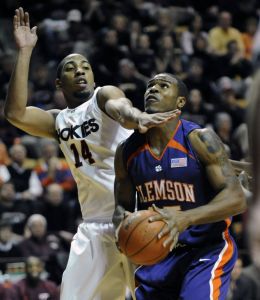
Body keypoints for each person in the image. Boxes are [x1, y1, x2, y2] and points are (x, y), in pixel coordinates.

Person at [4, 8, 179, 300]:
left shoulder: (102, 96)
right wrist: (24, 52)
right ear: (59, 84)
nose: (80, 71)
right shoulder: (57, 121)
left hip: (140, 216)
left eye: (85, 66)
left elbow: (120, 108)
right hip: (95, 227)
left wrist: (137, 117)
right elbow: (15, 113)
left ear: (94, 75)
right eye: (71, 69)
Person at [113, 73, 247, 299]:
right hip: (157, 254)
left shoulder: (200, 139)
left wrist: (186, 218)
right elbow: (121, 207)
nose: (153, 90)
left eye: (163, 86)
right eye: (150, 86)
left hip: (205, 249)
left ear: (180, 102)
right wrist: (121, 228)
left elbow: (236, 198)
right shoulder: (126, 151)